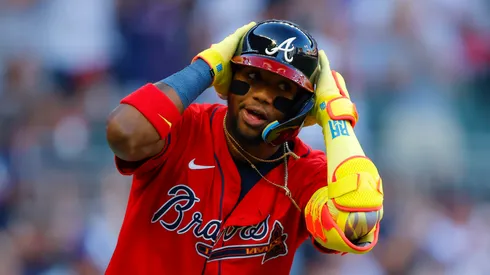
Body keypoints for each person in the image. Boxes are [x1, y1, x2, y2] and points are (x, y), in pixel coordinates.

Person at [105, 19, 384, 275]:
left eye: (283, 88)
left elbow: (357, 221)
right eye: (251, 77)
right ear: (229, 77)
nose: (262, 95)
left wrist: (333, 114)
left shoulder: (305, 171)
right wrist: (208, 64)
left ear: (302, 107)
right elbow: (124, 134)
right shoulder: (185, 126)